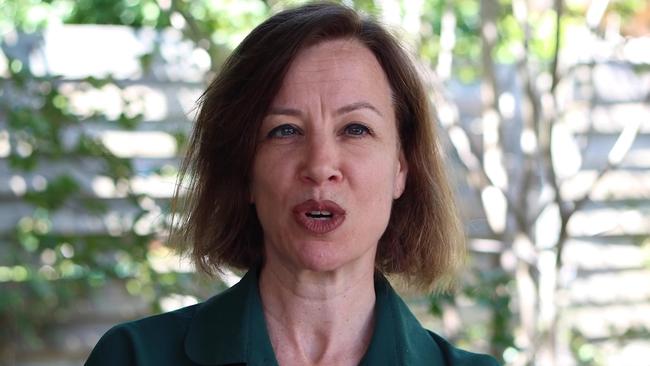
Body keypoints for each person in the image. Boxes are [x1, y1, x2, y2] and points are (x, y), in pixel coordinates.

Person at [86, 2, 498, 365]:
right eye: (284, 130)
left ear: (401, 168)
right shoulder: (133, 357)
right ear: (246, 170)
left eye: (355, 129)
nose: (320, 166)